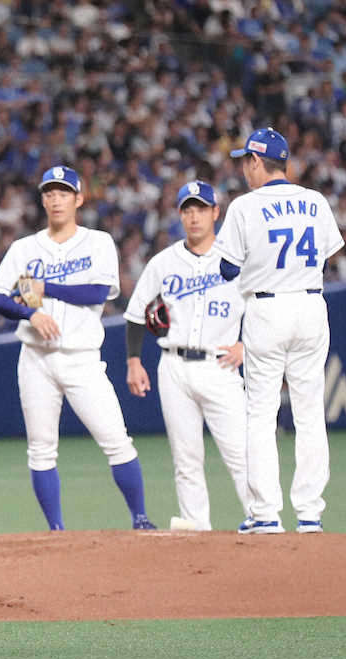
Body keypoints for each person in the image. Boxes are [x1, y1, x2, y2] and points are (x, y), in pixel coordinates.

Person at [0, 165, 157, 531]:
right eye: (49, 193)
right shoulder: (24, 248)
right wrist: (30, 314)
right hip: (36, 358)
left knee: (117, 441)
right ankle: (56, 530)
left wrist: (45, 288)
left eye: (63, 193)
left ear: (79, 199)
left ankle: (140, 519)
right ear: (43, 200)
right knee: (41, 449)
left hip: (82, 359)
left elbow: (98, 292)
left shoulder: (97, 242)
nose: (56, 199)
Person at [214, 128, 344, 534]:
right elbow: (325, 259)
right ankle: (310, 514)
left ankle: (266, 513)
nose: (244, 168)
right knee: (310, 412)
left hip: (267, 308)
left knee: (261, 413)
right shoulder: (316, 201)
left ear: (256, 161)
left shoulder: (244, 206)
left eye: (246, 161)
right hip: (310, 304)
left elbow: (227, 268)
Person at [123, 180, 250, 531]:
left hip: (220, 365)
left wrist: (247, 345)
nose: (194, 217)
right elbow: (136, 313)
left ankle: (262, 519)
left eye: (201, 209)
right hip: (174, 366)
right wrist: (134, 360)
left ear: (215, 213)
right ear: (180, 215)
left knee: (241, 454)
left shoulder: (237, 260)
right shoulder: (163, 262)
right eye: (187, 210)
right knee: (186, 458)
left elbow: (263, 306)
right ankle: (196, 526)